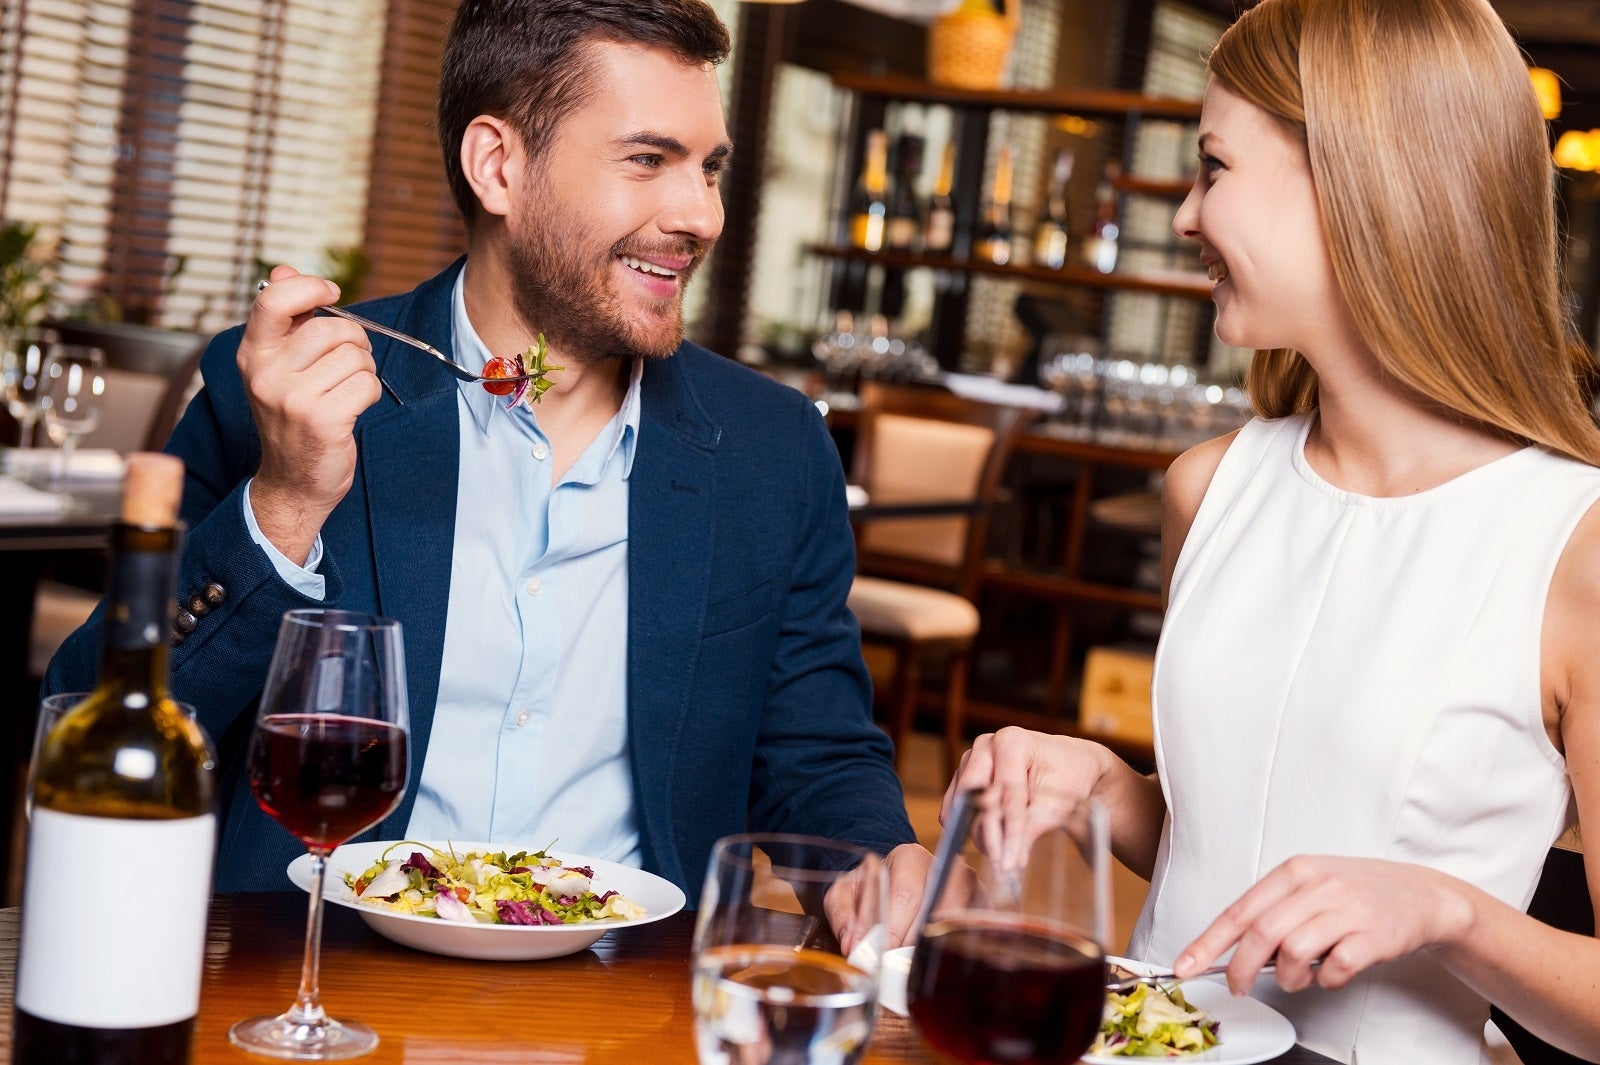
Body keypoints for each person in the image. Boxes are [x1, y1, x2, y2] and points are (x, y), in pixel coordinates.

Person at [44, 0, 930, 939]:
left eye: (708, 168)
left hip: (633, 996)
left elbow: (819, 753)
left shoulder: (773, 446)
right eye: (647, 159)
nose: (700, 213)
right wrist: (287, 499)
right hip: (316, 977)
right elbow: (90, 722)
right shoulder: (280, 395)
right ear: (497, 165)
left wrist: (873, 859)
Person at [945, 0, 1600, 1061]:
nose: (1188, 216)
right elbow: (1230, 857)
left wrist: (1450, 912)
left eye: (1214, 167)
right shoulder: (1210, 487)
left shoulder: (1573, 545)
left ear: (1358, 183)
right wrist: (1107, 790)